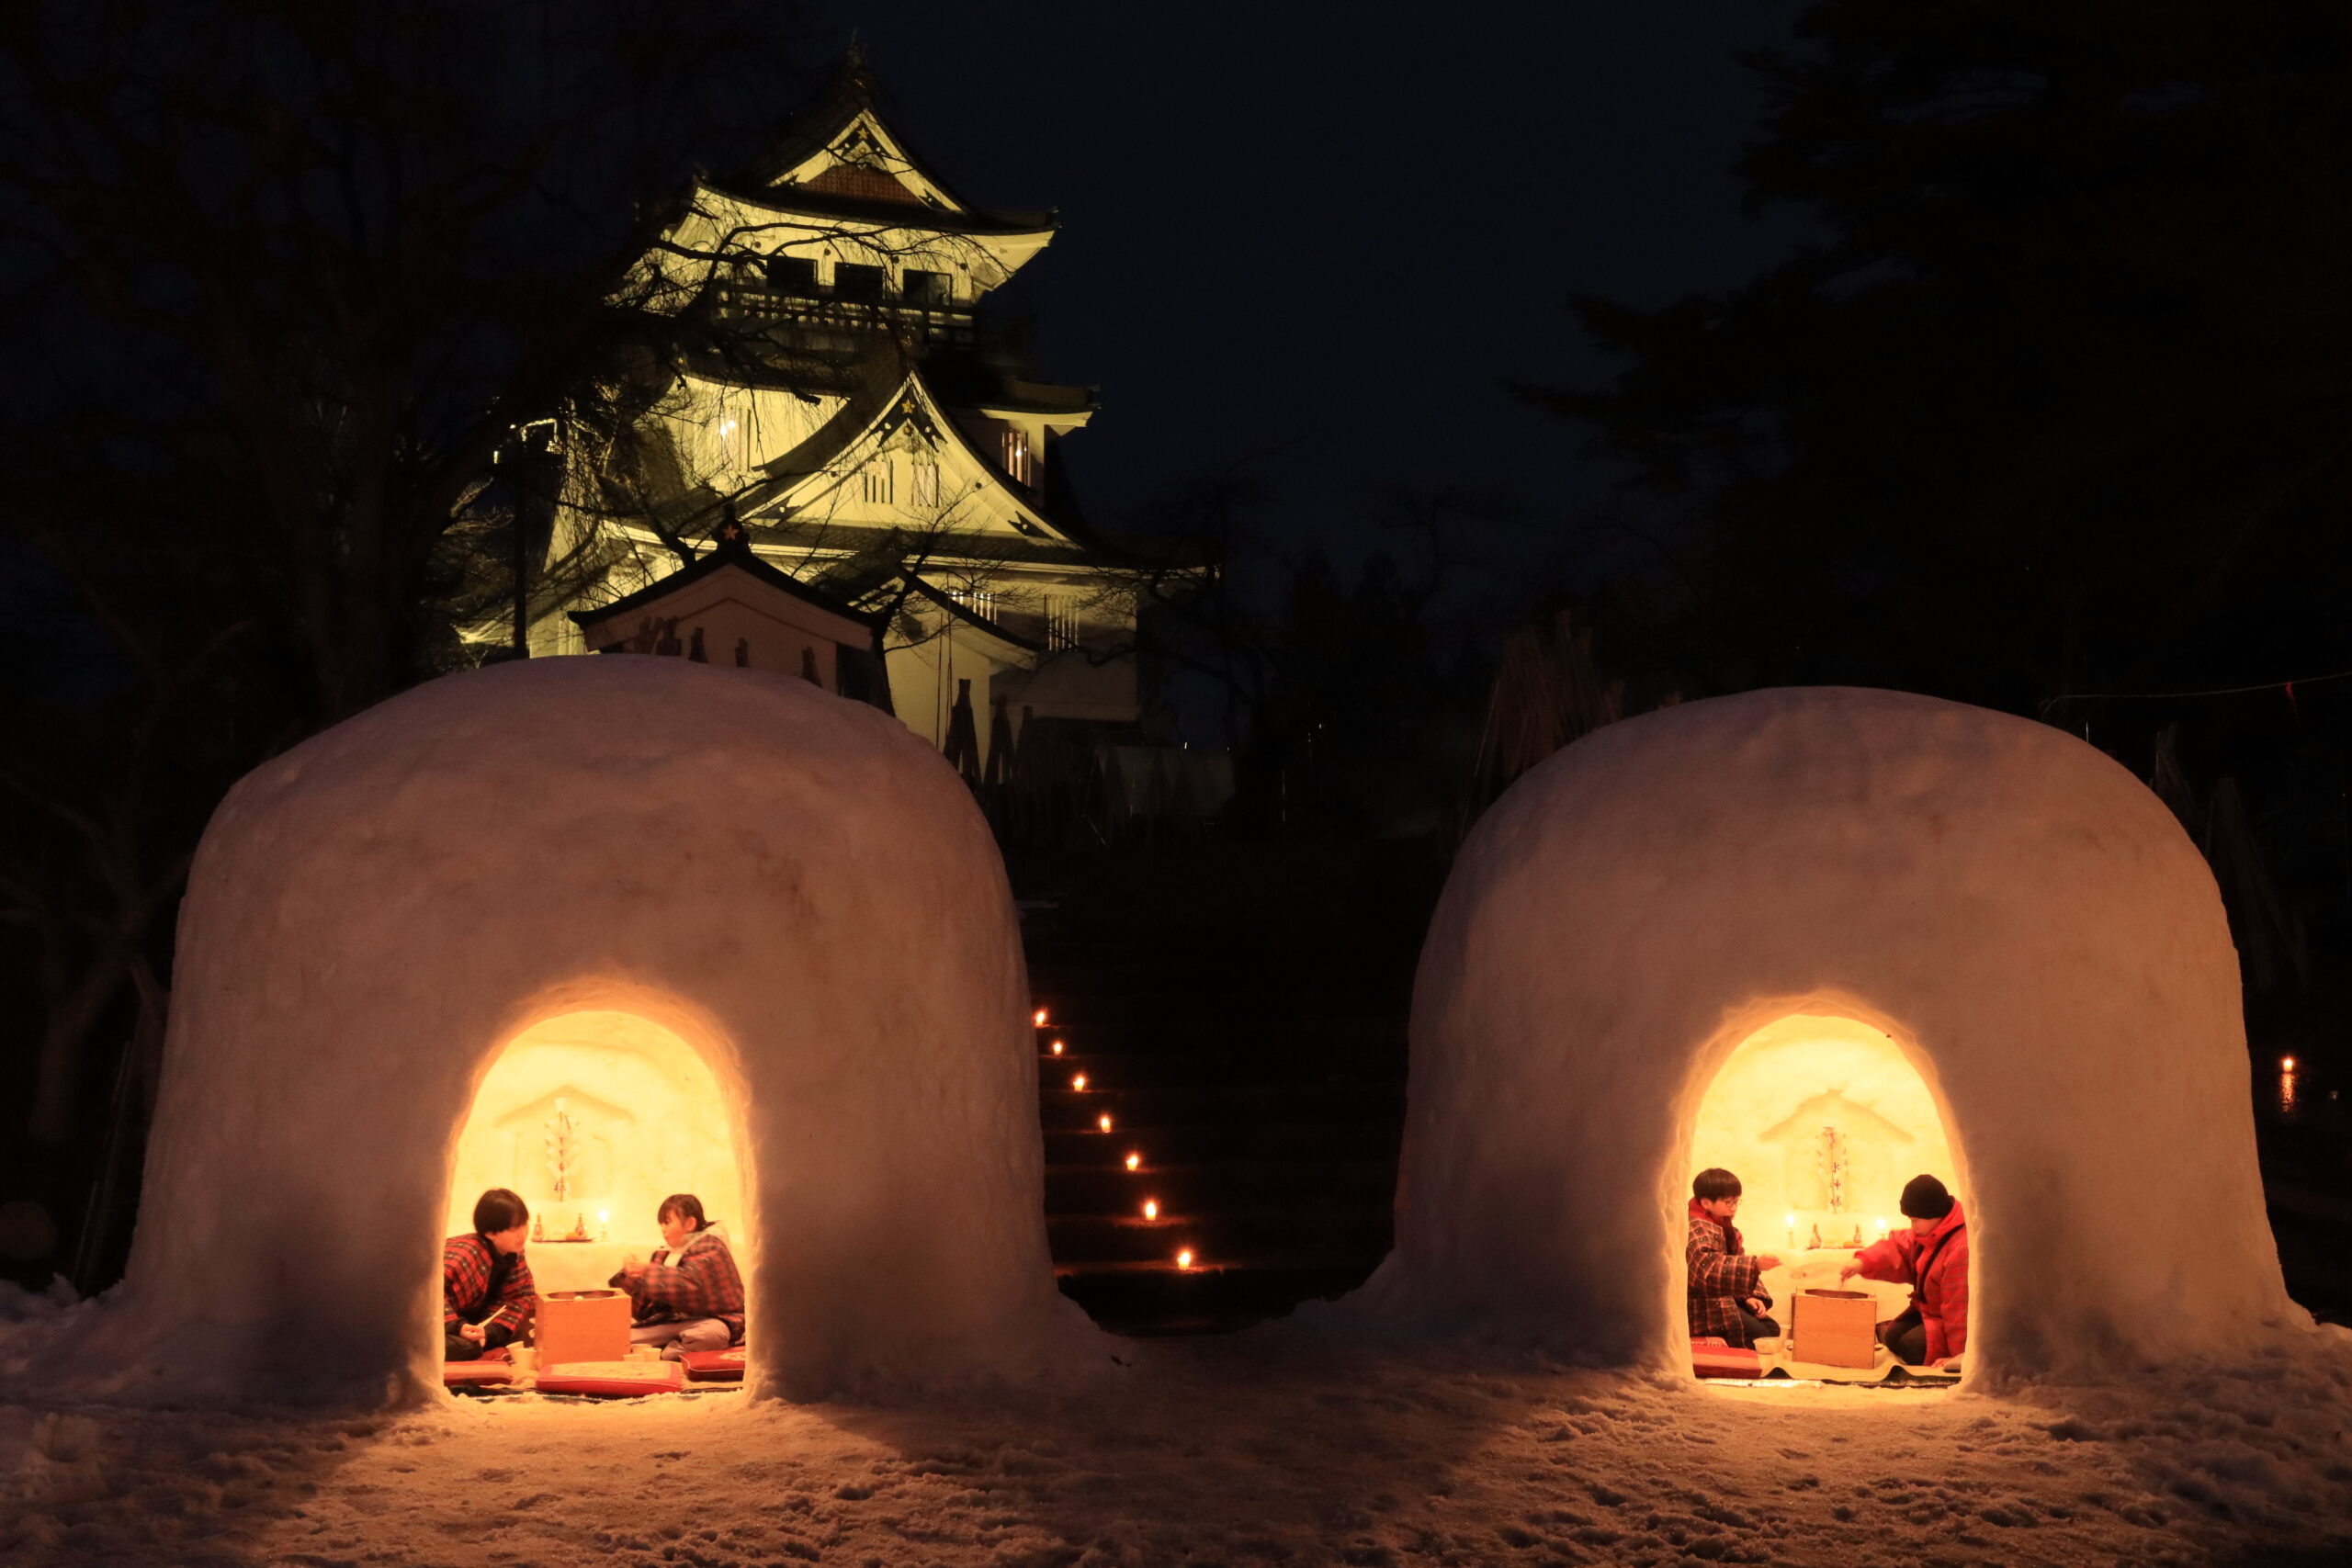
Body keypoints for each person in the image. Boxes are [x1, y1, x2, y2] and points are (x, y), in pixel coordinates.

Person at [1842, 1173, 1969, 1371]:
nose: (1913, 1226)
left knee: (1911, 1346)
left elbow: (1959, 1310)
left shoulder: (1960, 1249)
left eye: (1915, 1220)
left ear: (1934, 1214)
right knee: (1891, 1336)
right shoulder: (1929, 1234)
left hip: (1949, 1325)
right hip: (1929, 1315)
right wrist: (1861, 1263)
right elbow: (1896, 1248)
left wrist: (1959, 1355)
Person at [609, 1193, 745, 1359]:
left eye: (667, 1222)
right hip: (671, 1323)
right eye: (661, 1223)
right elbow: (647, 1312)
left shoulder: (712, 1247)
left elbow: (691, 1285)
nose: (663, 1229)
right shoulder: (664, 1255)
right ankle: (669, 1350)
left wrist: (648, 1271)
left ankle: (661, 1355)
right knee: (619, 1341)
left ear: (690, 1223)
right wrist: (631, 1278)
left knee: (710, 1336)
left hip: (712, 1321)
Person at [1687, 1168, 1781, 1348]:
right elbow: (1706, 1271)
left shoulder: (1725, 1227)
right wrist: (1755, 1265)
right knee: (1759, 1336)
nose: (1734, 1207)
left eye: (1737, 1202)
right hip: (1702, 1304)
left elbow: (1737, 1258)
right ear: (1706, 1203)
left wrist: (1749, 1296)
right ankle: (1701, 1341)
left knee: (1772, 1329)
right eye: (1728, 1202)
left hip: (1725, 1297)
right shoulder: (1694, 1227)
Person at [445, 1188, 536, 1360]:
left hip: (468, 1324)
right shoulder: (467, 1253)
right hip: (426, 1325)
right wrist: (457, 1327)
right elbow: (425, 1297)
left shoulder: (513, 1252)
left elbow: (521, 1296)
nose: (522, 1233)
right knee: (468, 1347)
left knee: (519, 1335)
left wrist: (488, 1333)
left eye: (524, 1224)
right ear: (490, 1233)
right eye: (513, 1228)